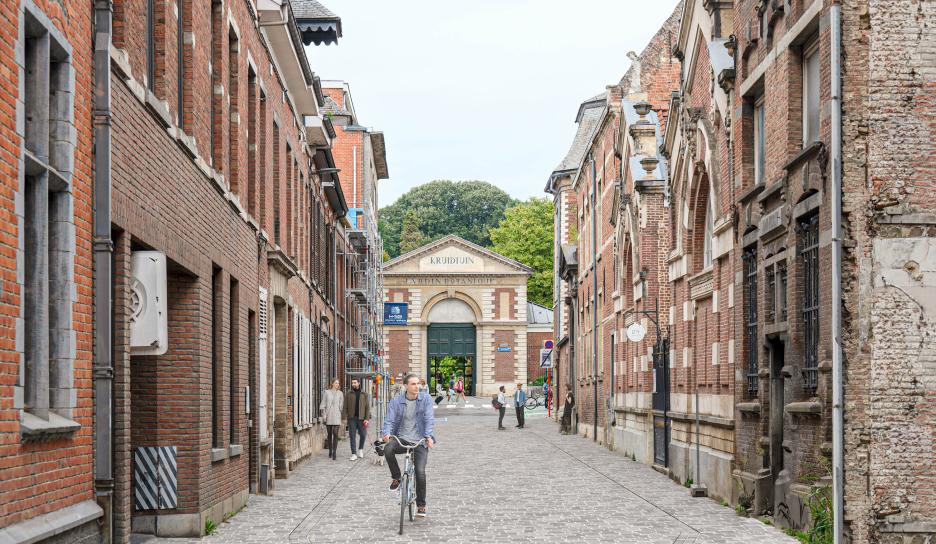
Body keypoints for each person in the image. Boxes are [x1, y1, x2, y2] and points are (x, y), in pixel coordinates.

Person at [381, 373, 435, 519]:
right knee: (388, 449)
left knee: (420, 472)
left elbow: (429, 418)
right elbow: (389, 420)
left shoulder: (426, 399)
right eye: (413, 384)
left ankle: (421, 505)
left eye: (418, 383)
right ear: (405, 386)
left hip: (420, 441)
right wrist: (386, 434)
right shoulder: (396, 401)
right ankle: (397, 477)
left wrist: (428, 436)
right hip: (402, 439)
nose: (417, 386)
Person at [343, 378, 370, 461]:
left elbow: (367, 407)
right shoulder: (349, 394)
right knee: (352, 436)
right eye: (352, 383)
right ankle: (354, 453)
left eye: (355, 382)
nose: (353, 384)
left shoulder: (364, 394)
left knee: (363, 434)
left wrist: (367, 418)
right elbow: (345, 406)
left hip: (362, 418)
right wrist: (344, 417)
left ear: (358, 383)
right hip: (352, 418)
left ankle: (360, 449)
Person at [320, 378, 344, 460]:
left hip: (337, 415)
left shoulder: (340, 393)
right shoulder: (327, 392)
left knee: (335, 434)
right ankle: (330, 450)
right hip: (329, 415)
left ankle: (334, 452)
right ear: (332, 383)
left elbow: (341, 405)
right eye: (336, 383)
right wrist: (324, 415)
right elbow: (323, 404)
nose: (337, 384)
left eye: (338, 383)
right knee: (329, 434)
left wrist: (340, 412)